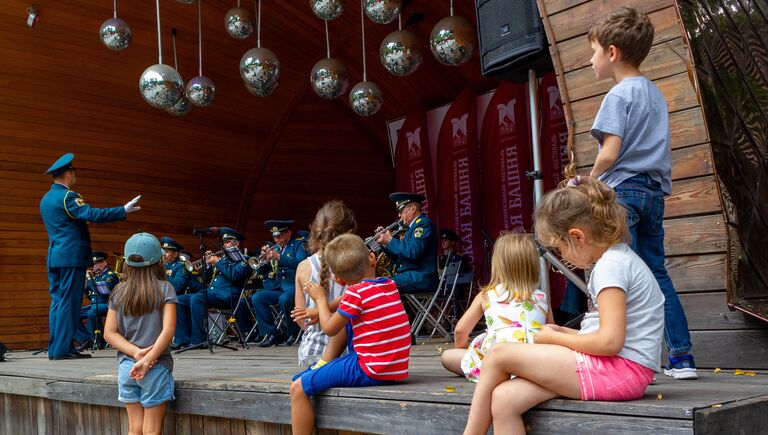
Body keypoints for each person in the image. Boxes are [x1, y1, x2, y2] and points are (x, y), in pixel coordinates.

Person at [462, 176, 664, 434]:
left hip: (619, 371)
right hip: (614, 369)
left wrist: (559, 340)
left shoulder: (610, 267)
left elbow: (609, 342)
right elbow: (606, 335)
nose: (561, 257)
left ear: (577, 236)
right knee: (504, 398)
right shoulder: (616, 260)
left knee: (500, 354)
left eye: (559, 248)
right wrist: (561, 333)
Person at [587, 6, 696, 379]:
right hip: (654, 193)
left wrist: (591, 178)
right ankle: (681, 357)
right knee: (656, 274)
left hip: (622, 193)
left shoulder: (617, 96)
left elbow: (611, 151)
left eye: (594, 52)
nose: (590, 60)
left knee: (615, 273)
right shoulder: (653, 93)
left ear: (612, 52)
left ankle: (619, 354)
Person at [290, 234, 410, 435]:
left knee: (297, 387)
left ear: (338, 279)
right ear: (372, 259)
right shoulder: (389, 285)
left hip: (369, 368)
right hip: (394, 367)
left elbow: (329, 328)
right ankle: (322, 366)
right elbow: (348, 300)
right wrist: (322, 308)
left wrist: (319, 299)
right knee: (304, 375)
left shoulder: (355, 295)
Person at [39, 152, 141, 360]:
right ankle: (62, 350)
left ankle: (57, 347)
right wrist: (121, 210)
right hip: (71, 257)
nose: (75, 176)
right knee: (69, 303)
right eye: (73, 172)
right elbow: (91, 215)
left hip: (55, 256)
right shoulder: (68, 196)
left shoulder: (46, 199)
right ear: (68, 174)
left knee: (58, 302)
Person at [440, 234, 551, 383]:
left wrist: (466, 352)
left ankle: (497, 373)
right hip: (534, 363)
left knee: (447, 356)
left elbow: (460, 331)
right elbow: (551, 331)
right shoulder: (541, 297)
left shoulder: (487, 295)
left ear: (498, 265)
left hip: (496, 363)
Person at [103, 232, 177, 435]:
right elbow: (169, 329)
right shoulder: (165, 289)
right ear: (158, 261)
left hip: (127, 367)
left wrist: (136, 354)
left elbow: (109, 333)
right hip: (156, 365)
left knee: (134, 429)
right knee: (152, 430)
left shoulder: (118, 291)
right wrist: (147, 359)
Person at [292, 201, 357, 368]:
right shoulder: (356, 262)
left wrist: (319, 314)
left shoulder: (303, 267)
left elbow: (302, 319)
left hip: (312, 351)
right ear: (349, 232)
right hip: (350, 353)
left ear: (314, 231)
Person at [186, 227, 252, 347]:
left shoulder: (244, 260)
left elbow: (235, 275)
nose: (224, 245)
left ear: (236, 242)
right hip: (212, 294)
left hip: (228, 296)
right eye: (224, 242)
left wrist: (218, 262)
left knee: (196, 299)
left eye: (227, 242)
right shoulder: (223, 260)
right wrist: (208, 265)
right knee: (180, 300)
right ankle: (182, 338)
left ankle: (198, 340)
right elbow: (204, 279)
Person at [251, 220, 309, 347]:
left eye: (280, 236)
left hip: (295, 286)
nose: (277, 239)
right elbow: (261, 271)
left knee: (285, 299)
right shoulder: (276, 248)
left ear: (288, 233)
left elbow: (301, 264)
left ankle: (293, 332)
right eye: (275, 237)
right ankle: (272, 333)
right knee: (257, 297)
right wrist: (263, 260)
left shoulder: (299, 245)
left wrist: (279, 257)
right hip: (279, 286)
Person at [375, 193, 438, 296]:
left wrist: (391, 240)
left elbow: (412, 252)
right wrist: (385, 244)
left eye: (401, 211)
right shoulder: (410, 229)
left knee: (377, 286)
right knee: (374, 283)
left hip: (421, 277)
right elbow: (400, 259)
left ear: (413, 208)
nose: (399, 215)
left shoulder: (423, 224)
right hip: (411, 276)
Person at [74, 251, 120, 350]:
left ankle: (99, 340)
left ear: (105, 263)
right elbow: (89, 296)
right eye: (94, 265)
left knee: (92, 311)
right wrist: (85, 284)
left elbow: (104, 290)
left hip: (109, 305)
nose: (95, 267)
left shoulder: (110, 275)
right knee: (73, 313)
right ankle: (85, 339)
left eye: (98, 264)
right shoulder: (95, 276)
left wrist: (90, 280)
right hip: (95, 304)